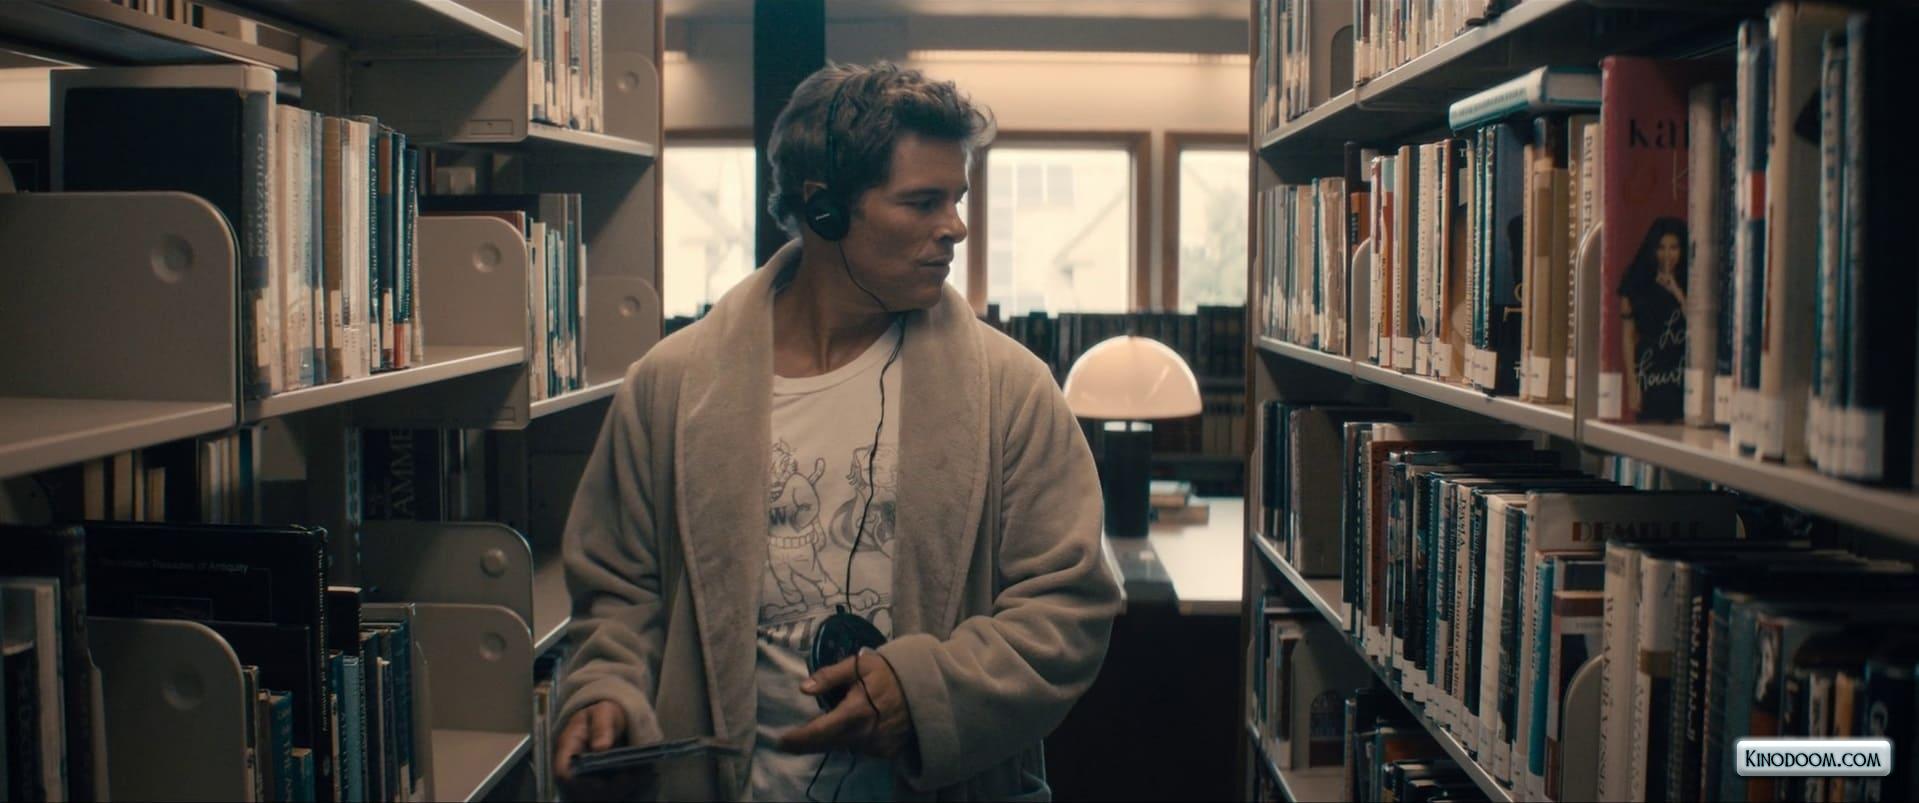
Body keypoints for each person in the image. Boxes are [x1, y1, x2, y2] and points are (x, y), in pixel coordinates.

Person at [549, 61, 1121, 801]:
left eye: (956, 198)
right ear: (823, 210)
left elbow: (1069, 608)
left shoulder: (1012, 390)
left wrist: (925, 695)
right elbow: (619, 593)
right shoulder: (669, 384)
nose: (956, 226)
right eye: (922, 201)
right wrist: (605, 692)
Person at [1617, 217, 1688, 421]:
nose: (1667, 255)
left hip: (1682, 376)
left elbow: (1697, 327)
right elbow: (1628, 337)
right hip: (1650, 376)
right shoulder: (1635, 283)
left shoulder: (1690, 281)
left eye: (1674, 248)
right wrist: (1632, 384)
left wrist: (1676, 291)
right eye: (1661, 248)